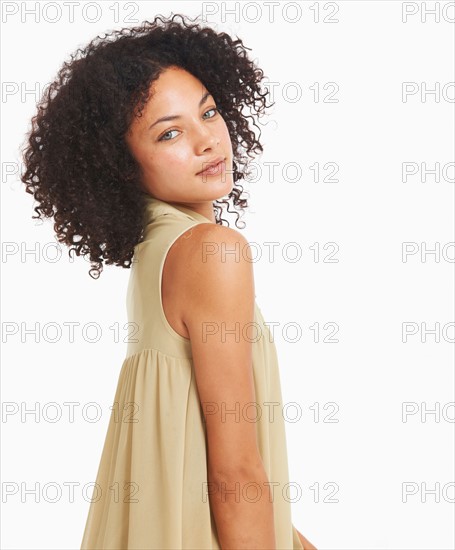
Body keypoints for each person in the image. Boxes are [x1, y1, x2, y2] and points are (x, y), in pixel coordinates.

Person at [20, 13, 317, 550]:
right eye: (170, 132)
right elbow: (234, 477)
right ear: (121, 166)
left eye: (208, 111)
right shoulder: (211, 252)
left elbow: (220, 470)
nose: (207, 140)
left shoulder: (158, 254)